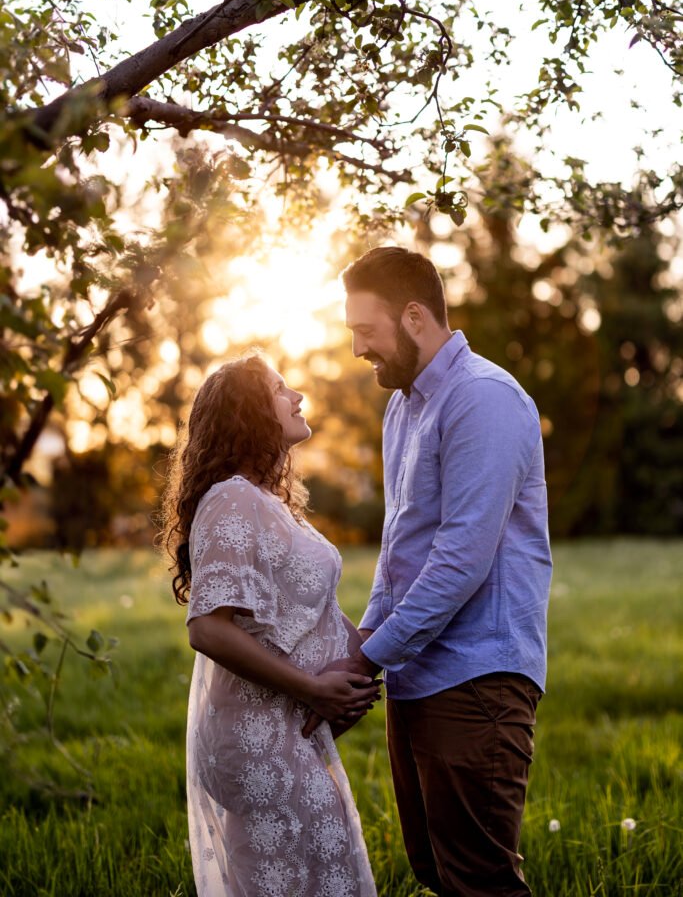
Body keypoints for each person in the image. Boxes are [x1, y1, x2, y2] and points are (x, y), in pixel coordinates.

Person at [305, 246, 552, 897]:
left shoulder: (482, 399)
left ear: (413, 316)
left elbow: (460, 558)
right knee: (436, 873)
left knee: (479, 882)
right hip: (417, 678)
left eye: (365, 331)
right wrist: (362, 647)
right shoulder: (402, 407)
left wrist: (364, 662)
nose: (358, 349)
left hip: (477, 676)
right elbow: (400, 554)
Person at [162, 354, 379, 897]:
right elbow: (208, 629)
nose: (299, 397)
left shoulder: (265, 502)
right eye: (282, 390)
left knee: (316, 874)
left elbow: (312, 612)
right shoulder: (232, 497)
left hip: (284, 729)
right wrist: (315, 690)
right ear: (247, 414)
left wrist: (381, 652)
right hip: (256, 734)